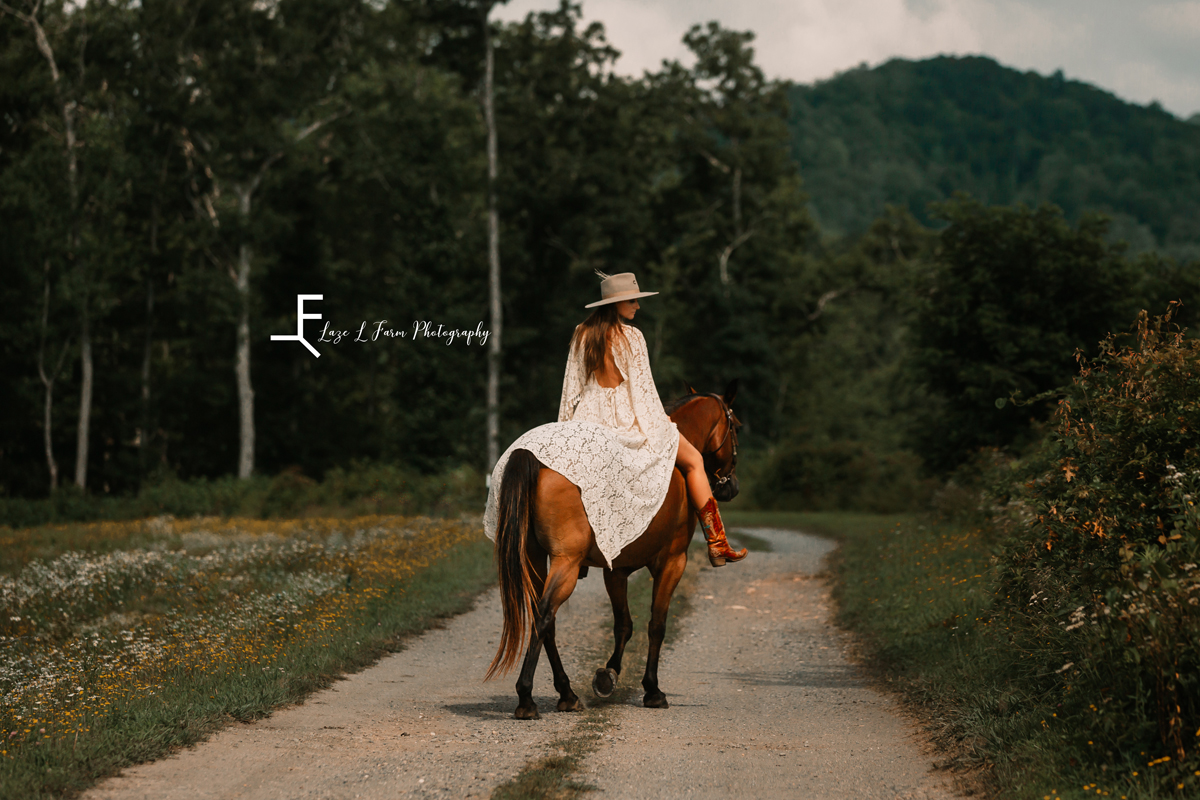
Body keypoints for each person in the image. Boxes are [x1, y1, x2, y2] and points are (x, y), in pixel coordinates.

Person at [557, 271, 746, 567]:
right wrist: (661, 424)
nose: (638, 306)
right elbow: (644, 394)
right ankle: (718, 543)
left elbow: (571, 389)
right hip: (626, 419)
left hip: (589, 420)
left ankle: (578, 554)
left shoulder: (581, 333)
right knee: (695, 461)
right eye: (633, 300)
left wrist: (567, 430)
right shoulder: (632, 336)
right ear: (615, 304)